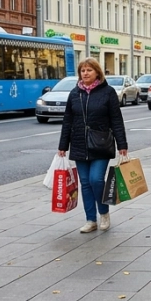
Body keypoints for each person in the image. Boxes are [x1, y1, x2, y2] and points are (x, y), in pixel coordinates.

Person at [57, 58, 128, 234]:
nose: (85, 73)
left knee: (96, 180)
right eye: (83, 70)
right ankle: (90, 220)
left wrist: (122, 144)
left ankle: (103, 213)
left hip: (101, 143)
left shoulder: (108, 92)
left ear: (97, 72)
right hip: (80, 143)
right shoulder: (75, 93)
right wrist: (63, 145)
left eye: (89, 70)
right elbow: (67, 121)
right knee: (85, 183)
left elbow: (116, 120)